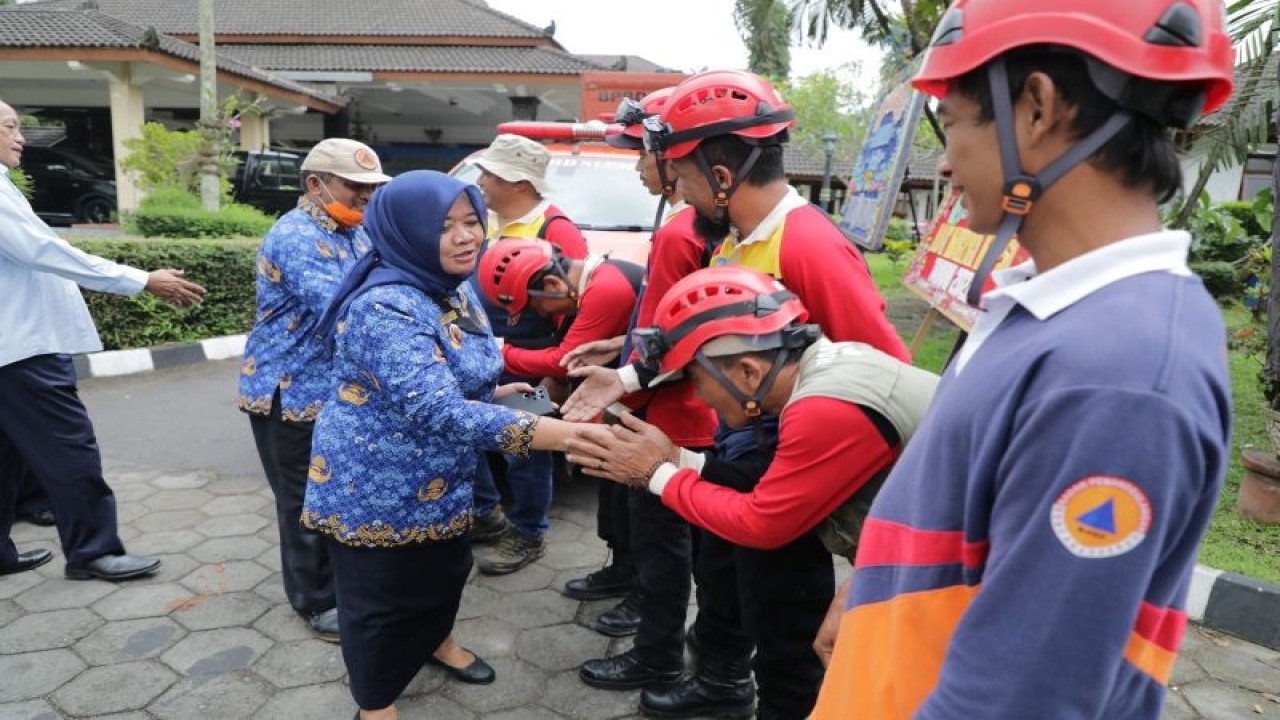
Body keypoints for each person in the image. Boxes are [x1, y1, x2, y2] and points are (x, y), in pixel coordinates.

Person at [807, 1, 1234, 717]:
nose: (943, 160)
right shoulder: (1047, 306)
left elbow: (1019, 697)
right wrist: (872, 587)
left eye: (955, 121)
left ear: (1036, 110)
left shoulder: (1119, 377)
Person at [562, 69, 909, 718]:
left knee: (784, 622)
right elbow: (704, 336)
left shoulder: (808, 244)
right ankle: (722, 682)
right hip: (743, 446)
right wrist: (629, 375)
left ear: (721, 177)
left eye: (682, 176)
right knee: (727, 583)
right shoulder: (737, 240)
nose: (676, 190)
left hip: (793, 462)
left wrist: (876, 545)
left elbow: (884, 373)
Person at [567, 267, 937, 720]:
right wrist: (678, 459)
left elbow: (762, 524)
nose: (701, 398)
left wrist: (655, 475)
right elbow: (771, 482)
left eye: (696, 379)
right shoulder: (821, 369)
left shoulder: (823, 408)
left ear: (747, 371)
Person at [301, 170, 590, 720]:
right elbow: (438, 409)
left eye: (471, 222)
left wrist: (499, 388)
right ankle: (376, 702)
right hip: (376, 488)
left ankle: (435, 642)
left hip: (442, 479)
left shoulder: (451, 288)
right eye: (445, 226)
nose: (466, 237)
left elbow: (458, 372)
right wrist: (571, 435)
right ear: (406, 230)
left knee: (444, 575)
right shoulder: (385, 306)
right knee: (378, 603)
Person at [0, 100, 205, 581]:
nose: (21, 137)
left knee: (6, 457)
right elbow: (43, 251)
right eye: (10, 127)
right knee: (70, 450)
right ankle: (93, 551)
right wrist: (139, 279)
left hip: (12, 346)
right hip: (23, 348)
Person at [565, 87, 725, 685]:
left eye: (639, 153)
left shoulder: (686, 233)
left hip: (670, 415)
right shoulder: (681, 227)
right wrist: (621, 345)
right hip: (653, 398)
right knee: (653, 536)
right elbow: (665, 319)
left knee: (663, 546)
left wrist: (631, 369)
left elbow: (691, 333)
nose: (634, 166)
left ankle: (656, 657)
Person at [237, 138, 389, 641]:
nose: (366, 199)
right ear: (315, 185)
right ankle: (315, 600)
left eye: (372, 190)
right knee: (302, 501)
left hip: (335, 391)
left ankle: (341, 586)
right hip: (291, 390)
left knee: (337, 492)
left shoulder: (354, 231)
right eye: (355, 188)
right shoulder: (298, 236)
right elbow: (348, 306)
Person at [466, 133, 590, 575]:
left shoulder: (556, 230)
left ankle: (528, 532)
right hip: (482, 356)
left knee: (524, 448)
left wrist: (557, 376)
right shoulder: (484, 221)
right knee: (470, 437)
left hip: (533, 360)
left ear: (519, 183)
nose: (480, 180)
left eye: (490, 174)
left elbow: (577, 311)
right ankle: (486, 514)